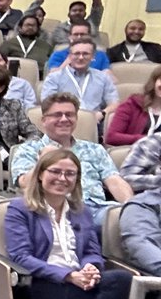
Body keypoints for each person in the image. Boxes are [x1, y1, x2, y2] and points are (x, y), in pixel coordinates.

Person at [6, 149, 143, 299]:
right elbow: (21, 257)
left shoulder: (81, 211)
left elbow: (92, 251)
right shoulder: (20, 209)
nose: (63, 178)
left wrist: (91, 268)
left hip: (83, 284)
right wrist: (68, 276)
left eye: (70, 174)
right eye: (55, 171)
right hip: (44, 284)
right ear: (40, 175)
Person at [11, 92, 132, 227]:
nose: (64, 119)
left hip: (98, 209)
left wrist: (131, 206)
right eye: (57, 115)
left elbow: (115, 182)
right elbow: (24, 184)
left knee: (140, 217)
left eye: (69, 115)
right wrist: (43, 160)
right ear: (43, 120)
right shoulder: (29, 149)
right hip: (56, 210)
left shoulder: (94, 149)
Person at [39, 34, 117, 123]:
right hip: (63, 121)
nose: (80, 57)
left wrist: (102, 114)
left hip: (95, 122)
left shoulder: (103, 77)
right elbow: (47, 103)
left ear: (93, 56)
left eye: (85, 54)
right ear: (70, 56)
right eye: (77, 53)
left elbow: (114, 103)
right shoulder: (54, 77)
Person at [105, 64, 161, 146]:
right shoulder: (132, 105)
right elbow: (111, 137)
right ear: (154, 82)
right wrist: (144, 139)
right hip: (134, 153)